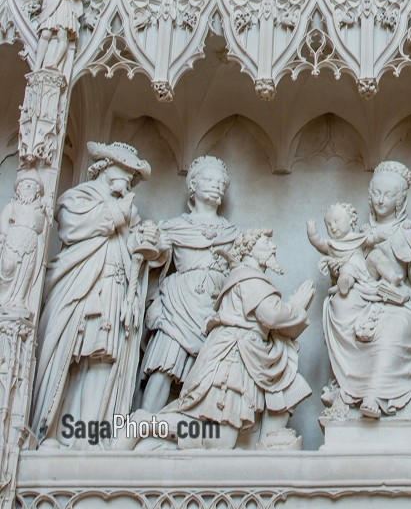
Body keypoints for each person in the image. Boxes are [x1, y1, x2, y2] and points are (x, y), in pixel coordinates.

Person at [32, 141, 160, 442]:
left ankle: (89, 436)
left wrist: (149, 240)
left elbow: (137, 248)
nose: (130, 180)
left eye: (133, 175)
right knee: (69, 354)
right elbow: (71, 226)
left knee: (103, 359)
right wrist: (119, 213)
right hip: (81, 289)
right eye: (125, 171)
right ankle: (49, 434)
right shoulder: (78, 197)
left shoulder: (128, 210)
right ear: (104, 168)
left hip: (113, 291)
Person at [318, 160, 411, 421]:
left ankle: (373, 394)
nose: (381, 200)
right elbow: (346, 265)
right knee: (337, 305)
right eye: (376, 193)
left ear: (401, 199)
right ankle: (344, 389)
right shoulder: (360, 232)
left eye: (389, 195)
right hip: (365, 297)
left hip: (399, 304)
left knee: (393, 327)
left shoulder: (408, 231)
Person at [174, 228, 315, 448]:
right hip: (235, 358)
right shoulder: (249, 278)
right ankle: (146, 425)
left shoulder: (248, 277)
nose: (273, 247)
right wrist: (297, 307)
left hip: (246, 354)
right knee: (220, 439)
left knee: (222, 437)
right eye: (266, 243)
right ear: (250, 250)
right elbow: (271, 315)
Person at [137, 155, 238, 412]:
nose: (215, 185)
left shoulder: (232, 232)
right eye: (208, 179)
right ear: (192, 185)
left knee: (210, 370)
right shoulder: (175, 227)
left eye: (220, 182)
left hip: (216, 306)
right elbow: (154, 255)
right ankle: (143, 424)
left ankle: (196, 431)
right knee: (165, 361)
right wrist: (149, 239)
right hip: (179, 304)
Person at [307, 202, 398, 295]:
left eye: (336, 221)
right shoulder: (331, 245)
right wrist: (311, 229)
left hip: (367, 271)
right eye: (328, 225)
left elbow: (371, 239)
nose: (333, 227)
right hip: (350, 273)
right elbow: (317, 241)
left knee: (376, 254)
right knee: (346, 271)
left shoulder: (357, 238)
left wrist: (380, 236)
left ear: (350, 219)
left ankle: (392, 277)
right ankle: (343, 285)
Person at [0, 171, 47, 311]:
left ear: (37, 191)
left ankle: (19, 299)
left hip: (30, 242)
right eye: (25, 183)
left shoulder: (37, 210)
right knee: (8, 267)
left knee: (25, 271)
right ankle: (3, 298)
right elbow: (4, 222)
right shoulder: (12, 206)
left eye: (32, 184)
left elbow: (39, 229)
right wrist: (3, 236)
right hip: (13, 240)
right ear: (18, 188)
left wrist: (41, 214)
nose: (28, 185)